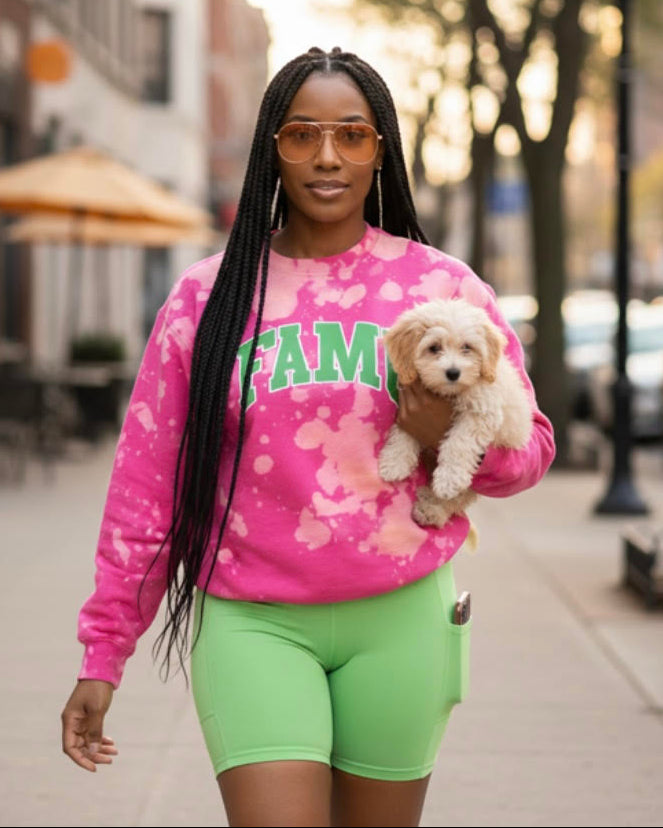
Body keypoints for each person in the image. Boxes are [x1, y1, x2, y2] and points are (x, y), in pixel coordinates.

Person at [61, 47, 555, 827]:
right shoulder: (207, 296)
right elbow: (145, 487)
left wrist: (439, 439)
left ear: (379, 150)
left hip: (401, 618)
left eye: (352, 134)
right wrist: (105, 649)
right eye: (302, 134)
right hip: (251, 619)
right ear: (272, 148)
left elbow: (528, 454)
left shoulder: (441, 287)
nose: (328, 156)